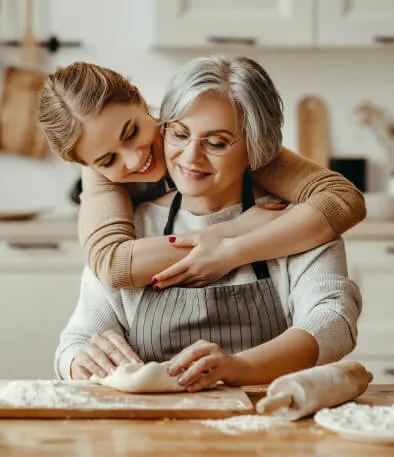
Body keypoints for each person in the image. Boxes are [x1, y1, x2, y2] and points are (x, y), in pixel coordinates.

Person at [55, 56, 361, 391]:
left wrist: (239, 367)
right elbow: (77, 338)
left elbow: (333, 322)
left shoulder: (295, 223)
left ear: (256, 149)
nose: (190, 157)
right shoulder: (130, 230)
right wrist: (78, 360)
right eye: (180, 135)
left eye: (216, 143)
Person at [39, 61, 366, 290]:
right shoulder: (96, 172)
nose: (135, 158)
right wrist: (235, 229)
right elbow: (113, 265)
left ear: (139, 99)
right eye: (109, 159)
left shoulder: (197, 130)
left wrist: (237, 251)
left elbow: (342, 200)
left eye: (131, 132)